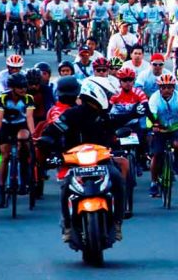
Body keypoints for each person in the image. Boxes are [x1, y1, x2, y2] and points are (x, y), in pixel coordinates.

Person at [38, 77, 125, 241]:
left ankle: (117, 223)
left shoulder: (105, 116)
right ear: (97, 93)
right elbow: (52, 131)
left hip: (102, 161)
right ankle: (68, 226)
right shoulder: (71, 114)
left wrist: (136, 112)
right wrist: (50, 146)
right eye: (106, 93)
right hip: (75, 162)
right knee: (65, 187)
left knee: (118, 179)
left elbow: (118, 125)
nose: (109, 97)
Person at [0, 73, 35, 207]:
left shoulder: (28, 98)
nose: (23, 89)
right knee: (5, 156)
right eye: (19, 87)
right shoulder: (3, 98)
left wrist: (33, 135)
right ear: (12, 88)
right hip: (6, 126)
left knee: (23, 139)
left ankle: (23, 180)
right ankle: (2, 188)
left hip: (21, 125)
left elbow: (29, 117)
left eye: (24, 86)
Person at [148, 73, 178, 197]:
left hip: (175, 127)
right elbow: (151, 115)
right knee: (157, 154)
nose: (167, 90)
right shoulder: (154, 98)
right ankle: (154, 182)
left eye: (170, 87)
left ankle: (175, 161)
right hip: (160, 129)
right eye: (164, 87)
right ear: (159, 88)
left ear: (173, 88)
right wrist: (152, 127)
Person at [110, 67, 149, 173]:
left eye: (130, 80)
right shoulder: (114, 93)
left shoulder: (139, 92)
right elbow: (107, 110)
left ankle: (141, 160)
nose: (127, 83)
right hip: (117, 123)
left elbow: (147, 108)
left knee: (143, 136)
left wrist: (155, 123)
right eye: (124, 80)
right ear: (120, 81)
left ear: (133, 81)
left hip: (133, 124)